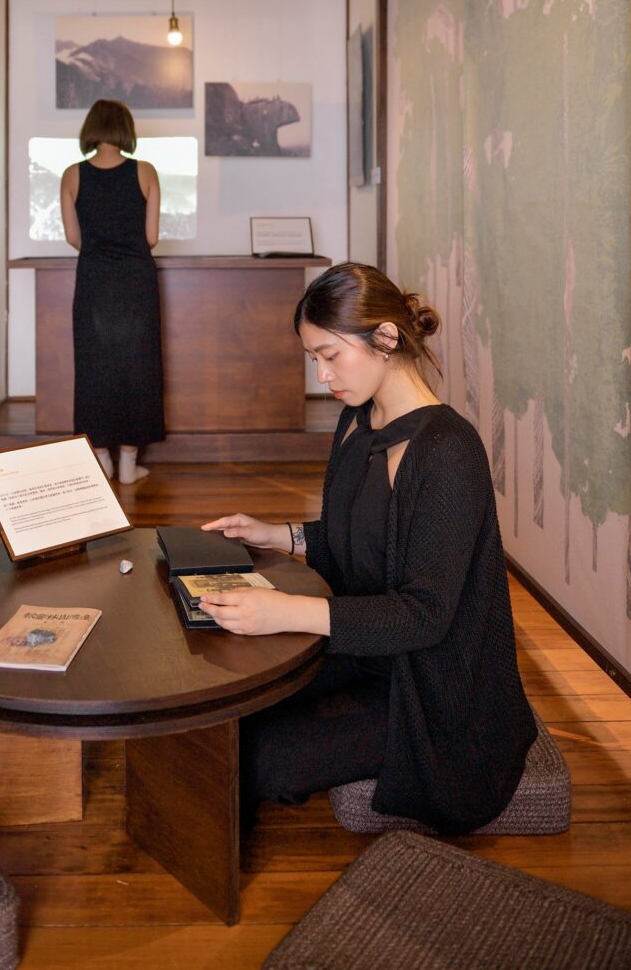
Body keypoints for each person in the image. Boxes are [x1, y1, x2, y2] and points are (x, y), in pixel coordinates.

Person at [200, 261, 536, 835]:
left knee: (258, 756)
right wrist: (277, 534)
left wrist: (284, 610)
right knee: (227, 702)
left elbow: (423, 615)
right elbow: (354, 536)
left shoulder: (447, 452)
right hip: (365, 648)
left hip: (427, 689)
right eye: (314, 359)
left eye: (331, 355)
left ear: (385, 337)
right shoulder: (358, 419)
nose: (323, 375)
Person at [60, 99, 164, 484]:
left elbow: (74, 237)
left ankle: (101, 459)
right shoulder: (145, 171)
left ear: (91, 127)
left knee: (94, 366)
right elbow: (151, 236)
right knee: (139, 365)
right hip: (136, 280)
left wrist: (99, 247)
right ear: (125, 129)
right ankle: (128, 465)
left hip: (93, 281)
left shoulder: (72, 174)